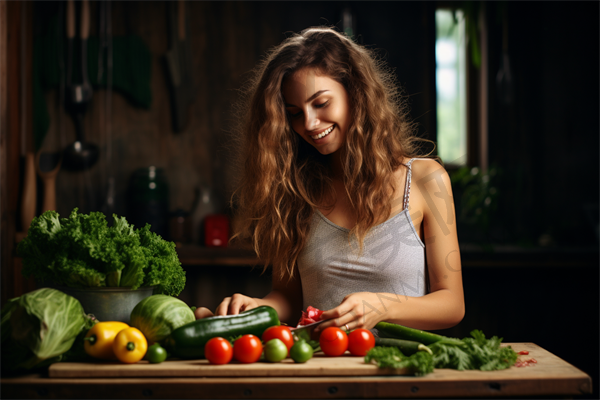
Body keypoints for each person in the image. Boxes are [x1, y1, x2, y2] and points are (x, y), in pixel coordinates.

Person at [197, 27, 464, 333]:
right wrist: (256, 307)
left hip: (401, 370)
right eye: (295, 113)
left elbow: (452, 305)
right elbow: (288, 297)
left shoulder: (426, 180)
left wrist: (382, 307)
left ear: (356, 94)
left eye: (321, 103)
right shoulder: (295, 191)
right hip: (318, 368)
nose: (309, 124)